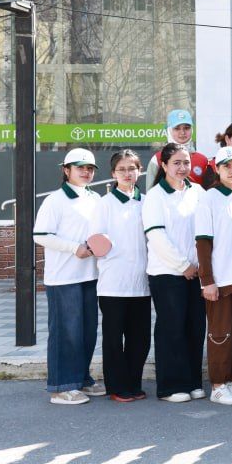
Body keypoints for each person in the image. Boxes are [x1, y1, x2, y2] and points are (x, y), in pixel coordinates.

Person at [34, 148, 104, 406]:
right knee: (66, 333)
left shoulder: (95, 197)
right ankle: (61, 387)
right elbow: (40, 235)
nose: (86, 172)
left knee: (87, 332)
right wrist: (74, 248)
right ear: (66, 170)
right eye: (80, 167)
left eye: (90, 168)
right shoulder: (55, 200)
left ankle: (81, 378)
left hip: (91, 275)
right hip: (64, 278)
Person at [143, 143, 206, 403]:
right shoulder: (155, 196)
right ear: (165, 166)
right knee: (172, 328)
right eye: (176, 163)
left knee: (195, 328)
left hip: (197, 273)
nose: (182, 167)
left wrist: (200, 265)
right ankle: (170, 386)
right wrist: (183, 265)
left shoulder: (198, 191)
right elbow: (156, 235)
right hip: (167, 273)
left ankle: (192, 382)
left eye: (186, 162)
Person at [91, 149, 151, 403]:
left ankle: (134, 384)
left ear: (139, 171)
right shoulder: (104, 204)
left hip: (142, 282)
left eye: (132, 169)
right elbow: (96, 240)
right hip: (113, 282)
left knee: (140, 338)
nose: (127, 174)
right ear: (113, 173)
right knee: (114, 339)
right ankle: (117, 387)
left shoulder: (147, 202)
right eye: (122, 170)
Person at [194, 146, 232, 407]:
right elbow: (203, 242)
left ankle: (231, 381)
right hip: (220, 278)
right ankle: (217, 385)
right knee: (220, 334)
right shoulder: (208, 198)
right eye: (227, 165)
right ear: (217, 169)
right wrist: (207, 280)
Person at [146, 109, 208, 191]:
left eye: (187, 128)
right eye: (177, 128)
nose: (182, 132)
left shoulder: (202, 159)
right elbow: (150, 193)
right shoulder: (157, 159)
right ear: (169, 130)